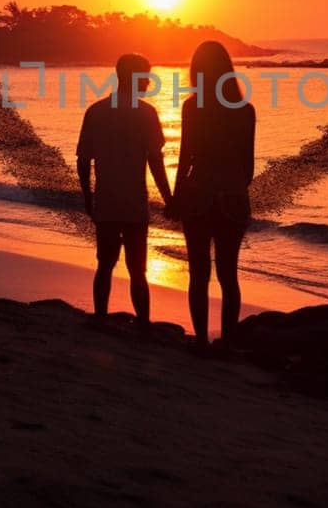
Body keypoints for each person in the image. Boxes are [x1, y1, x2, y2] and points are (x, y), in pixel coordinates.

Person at [76, 53, 172, 323]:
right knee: (137, 269)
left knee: (105, 264)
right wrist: (169, 198)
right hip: (133, 204)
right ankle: (143, 323)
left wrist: (88, 196)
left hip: (107, 201)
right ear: (134, 77)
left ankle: (101, 317)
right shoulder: (146, 114)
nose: (149, 81)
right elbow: (156, 161)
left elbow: (84, 160)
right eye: (146, 76)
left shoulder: (96, 111)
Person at [173, 39, 256, 349]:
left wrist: (175, 197)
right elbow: (248, 164)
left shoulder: (193, 107)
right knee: (228, 275)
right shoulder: (245, 111)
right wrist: (234, 186)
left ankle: (201, 342)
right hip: (233, 197)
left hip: (198, 195)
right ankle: (228, 342)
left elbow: (185, 159)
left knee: (199, 275)